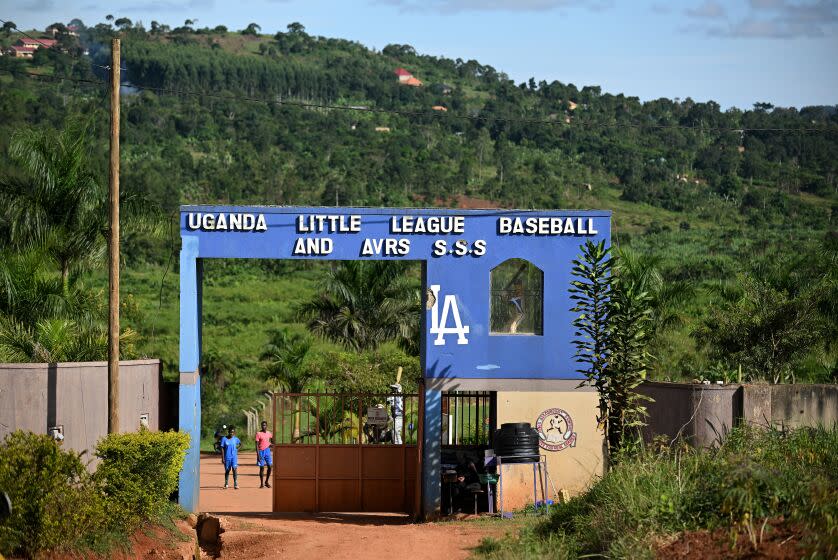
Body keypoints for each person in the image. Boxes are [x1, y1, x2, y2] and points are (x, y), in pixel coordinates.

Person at [255, 420, 273, 489]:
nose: (264, 426)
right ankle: (262, 483)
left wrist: (272, 444)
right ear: (261, 426)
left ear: (266, 426)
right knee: (262, 468)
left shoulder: (269, 433)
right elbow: (256, 445)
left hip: (267, 451)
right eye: (263, 425)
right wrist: (258, 455)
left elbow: (272, 441)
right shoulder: (258, 433)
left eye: (265, 425)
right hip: (261, 452)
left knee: (269, 466)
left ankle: (266, 482)